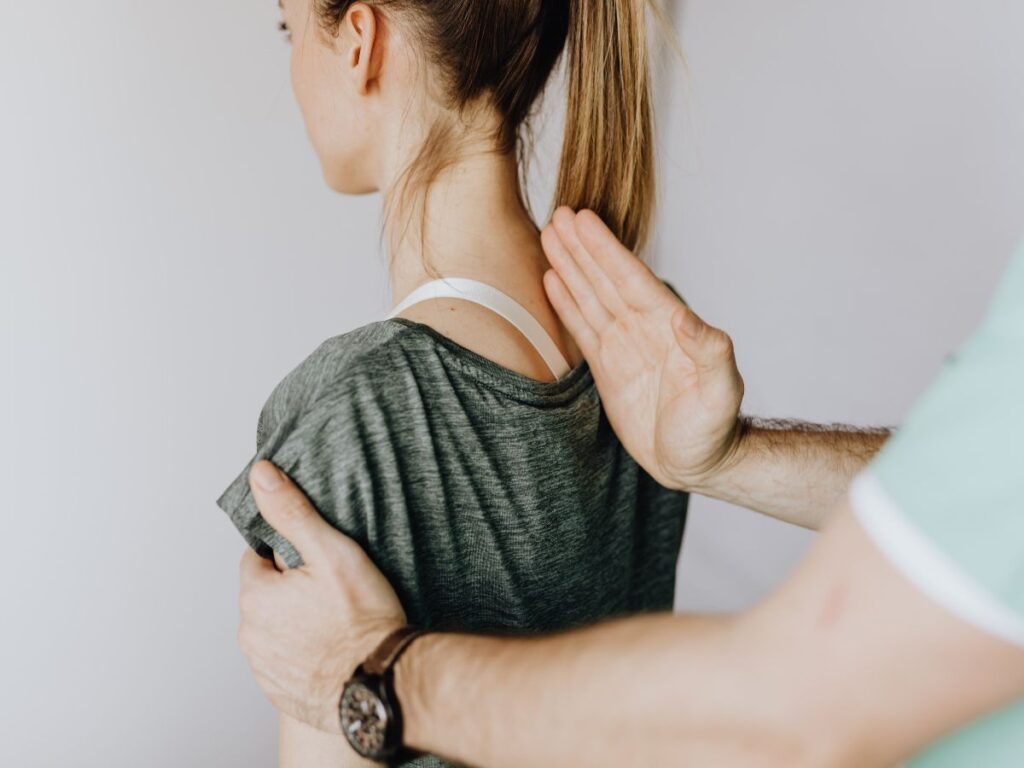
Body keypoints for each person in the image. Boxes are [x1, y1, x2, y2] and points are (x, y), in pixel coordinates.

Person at [236, 208, 1024, 766]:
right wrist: (727, 457)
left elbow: (784, 723)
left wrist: (375, 671)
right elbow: (974, 500)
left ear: (361, 40)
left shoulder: (353, 404)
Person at [217, 2, 782, 765]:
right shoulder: (641, 355)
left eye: (288, 28)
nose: (288, 65)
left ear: (360, 40)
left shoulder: (356, 415)